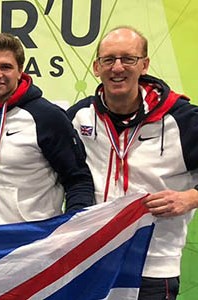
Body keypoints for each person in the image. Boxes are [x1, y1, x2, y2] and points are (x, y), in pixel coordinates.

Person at [67, 26, 198, 299]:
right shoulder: (80, 116)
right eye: (109, 60)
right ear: (96, 67)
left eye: (128, 59)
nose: (117, 68)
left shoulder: (184, 120)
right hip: (94, 259)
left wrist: (191, 197)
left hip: (153, 265)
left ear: (145, 65)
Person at [0, 33, 94, 226]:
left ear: (20, 70)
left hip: (31, 242)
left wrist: (70, 228)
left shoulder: (47, 117)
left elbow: (78, 180)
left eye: (6, 67)